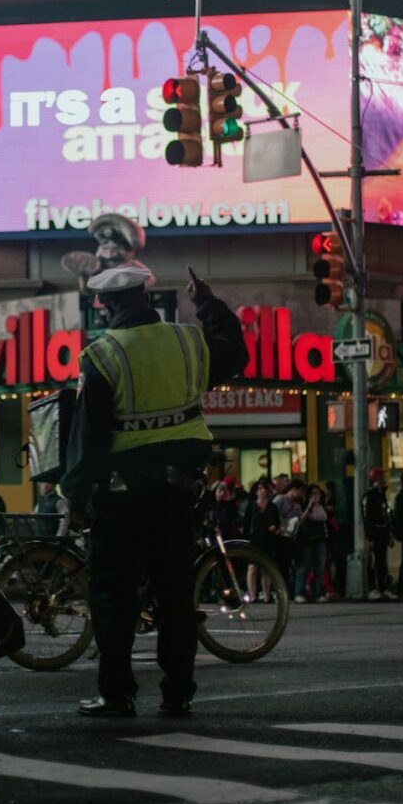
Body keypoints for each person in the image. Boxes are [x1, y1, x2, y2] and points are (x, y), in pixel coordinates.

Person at [60, 263, 248, 718]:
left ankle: (117, 692)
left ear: (107, 305)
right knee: (176, 596)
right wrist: (206, 301)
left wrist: (76, 495)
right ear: (146, 298)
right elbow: (237, 355)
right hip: (177, 495)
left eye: (102, 304)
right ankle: (178, 691)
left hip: (121, 500)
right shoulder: (188, 341)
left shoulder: (102, 354)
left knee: (113, 598)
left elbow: (91, 439)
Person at [362, 467, 397, 601]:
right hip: (375, 533)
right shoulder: (370, 497)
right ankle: (372, 588)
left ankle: (383, 587)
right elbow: (368, 518)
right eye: (382, 477)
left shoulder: (381, 496)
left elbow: (386, 516)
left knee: (382, 562)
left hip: (382, 532)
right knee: (372, 562)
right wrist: (370, 537)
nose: (384, 479)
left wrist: (389, 534)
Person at [246, 478, 280, 603]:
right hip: (255, 539)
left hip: (269, 539)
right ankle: (253, 595)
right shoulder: (251, 506)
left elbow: (277, 522)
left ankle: (266, 596)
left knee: (266, 568)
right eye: (259, 488)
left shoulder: (273, 506)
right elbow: (245, 523)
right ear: (255, 491)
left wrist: (275, 527)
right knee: (252, 568)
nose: (262, 490)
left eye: (264, 488)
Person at [293, 483, 329, 603]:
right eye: (313, 493)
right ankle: (299, 592)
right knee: (305, 566)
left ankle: (318, 592)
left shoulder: (322, 506)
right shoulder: (304, 505)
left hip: (321, 538)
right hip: (307, 539)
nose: (316, 496)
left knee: (320, 567)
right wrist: (309, 506)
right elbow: (301, 521)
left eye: (318, 493)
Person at [272, 479, 305, 591]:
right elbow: (272, 512)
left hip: (290, 537)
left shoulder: (297, 506)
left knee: (286, 565)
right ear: (293, 490)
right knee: (281, 565)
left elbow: (300, 521)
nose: (301, 494)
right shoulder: (280, 499)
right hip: (279, 536)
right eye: (300, 491)